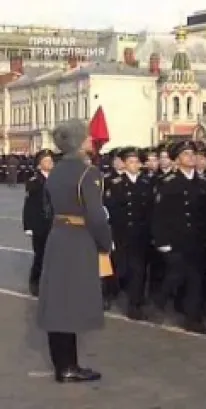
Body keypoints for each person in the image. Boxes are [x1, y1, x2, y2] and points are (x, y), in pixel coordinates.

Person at [37, 119, 112, 383]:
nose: (91, 140)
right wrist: (106, 242)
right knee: (72, 304)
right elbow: (96, 215)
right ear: (79, 141)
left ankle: (64, 364)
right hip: (79, 240)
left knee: (58, 303)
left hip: (58, 237)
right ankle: (69, 367)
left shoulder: (55, 171)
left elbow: (48, 208)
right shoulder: (87, 173)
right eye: (87, 137)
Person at [152, 140, 206, 331]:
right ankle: (160, 300)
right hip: (175, 240)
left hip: (196, 240)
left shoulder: (203, 183)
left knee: (196, 279)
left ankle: (192, 319)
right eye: (186, 154)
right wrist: (162, 241)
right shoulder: (168, 183)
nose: (191, 157)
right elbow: (159, 215)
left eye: (193, 154)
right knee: (176, 276)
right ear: (177, 159)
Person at [103, 147, 153, 320]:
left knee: (139, 270)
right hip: (121, 234)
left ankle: (135, 305)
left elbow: (151, 210)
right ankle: (109, 293)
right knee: (120, 269)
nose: (134, 165)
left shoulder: (146, 183)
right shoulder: (115, 184)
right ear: (124, 164)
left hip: (141, 234)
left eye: (136, 162)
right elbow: (110, 209)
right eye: (130, 162)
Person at [23, 149, 55, 296]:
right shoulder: (34, 181)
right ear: (39, 164)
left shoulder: (57, 179)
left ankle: (50, 282)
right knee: (40, 255)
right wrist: (28, 226)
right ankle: (35, 281)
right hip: (40, 224)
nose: (49, 163)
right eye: (46, 160)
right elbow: (29, 206)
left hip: (55, 224)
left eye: (50, 160)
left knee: (54, 255)